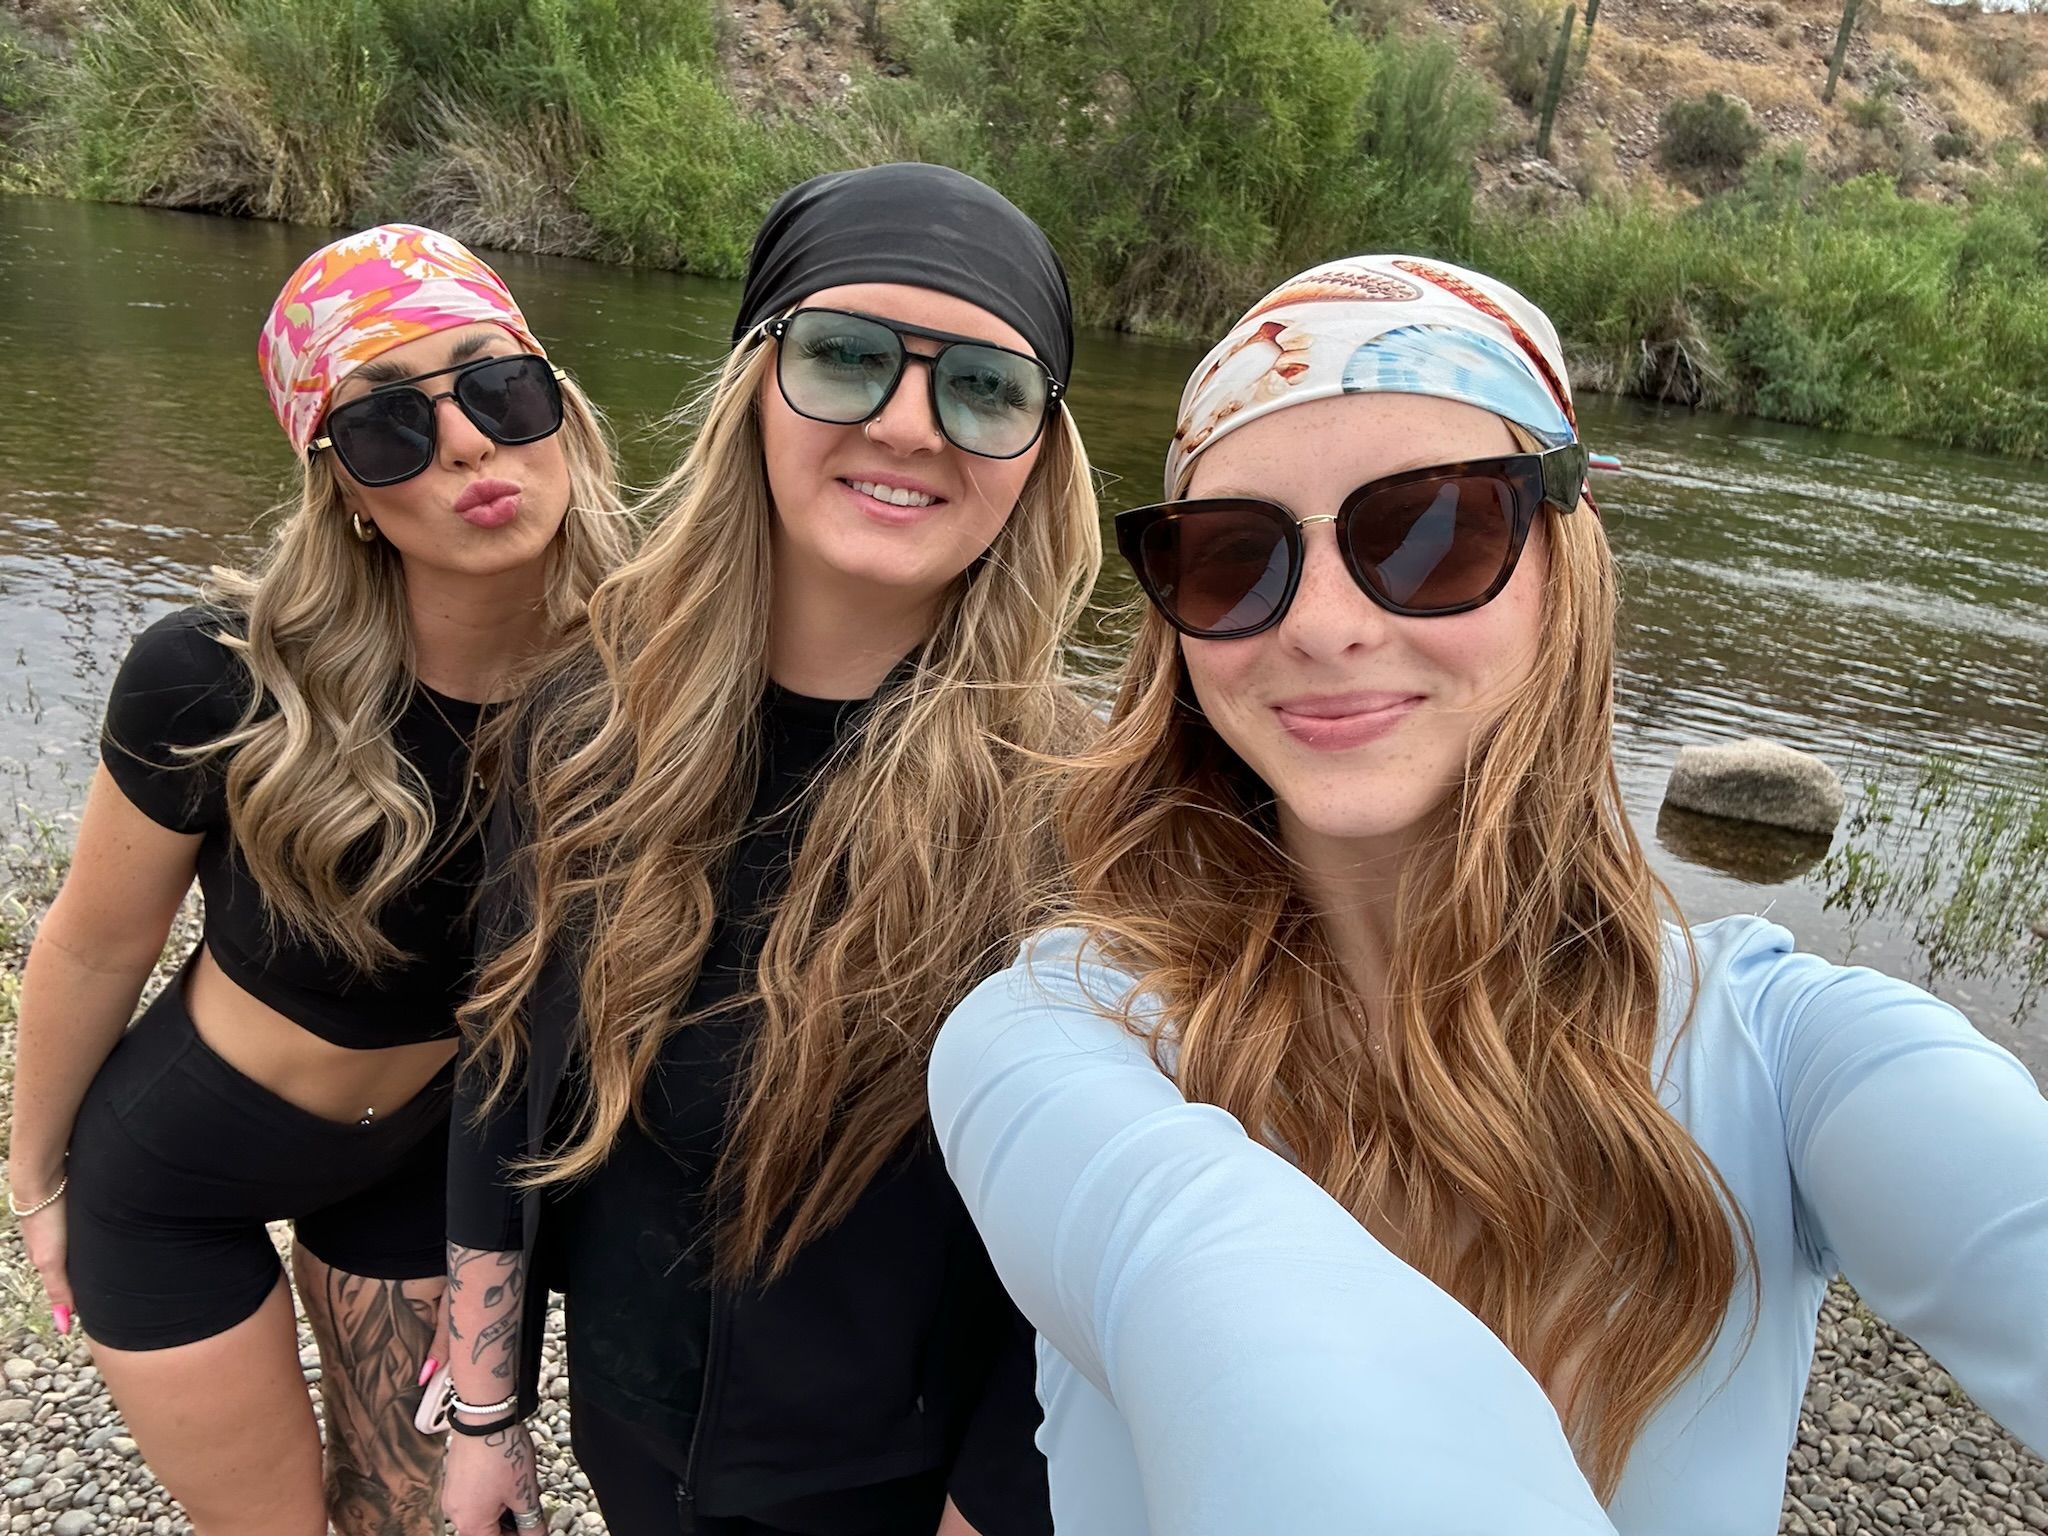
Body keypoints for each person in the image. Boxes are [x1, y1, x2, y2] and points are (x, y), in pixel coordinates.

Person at [929, 255, 2048, 1534]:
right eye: (1233, 559)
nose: (1323, 626)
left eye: (1431, 530)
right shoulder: (1056, 1034)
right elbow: (1212, 1293)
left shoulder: (1792, 1055)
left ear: (1561, 570)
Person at [441, 163, 1101, 1536]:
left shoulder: (1083, 810)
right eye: (848, 358)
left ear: (1042, 448)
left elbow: (1077, 1275)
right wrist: (487, 1410)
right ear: (758, 383)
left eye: (985, 386)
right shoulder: (584, 726)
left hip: (894, 1498)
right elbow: (501, 1078)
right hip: (625, 1431)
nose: (911, 424)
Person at [7, 223, 631, 1536]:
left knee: (410, 1522)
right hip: (174, 1179)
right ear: (344, 484)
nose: (465, 443)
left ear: (558, 407)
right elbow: (93, 946)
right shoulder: (223, 677)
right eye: (389, 427)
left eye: (498, 387)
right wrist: (36, 1185)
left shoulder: (643, 687)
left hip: (416, 1168)